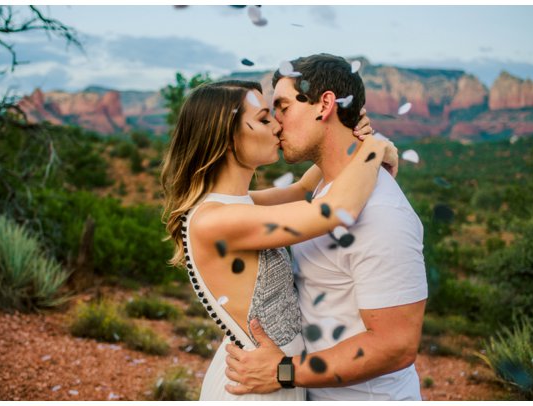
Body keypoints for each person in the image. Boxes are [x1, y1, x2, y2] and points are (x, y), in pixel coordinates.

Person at [159, 75, 396, 400]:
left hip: (272, 374)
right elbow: (334, 210)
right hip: (257, 387)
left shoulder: (238, 205)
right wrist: (374, 148)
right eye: (263, 119)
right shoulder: (216, 220)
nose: (277, 126)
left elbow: (302, 190)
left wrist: (346, 135)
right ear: (227, 138)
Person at [222, 54, 428, 400]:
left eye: (283, 108)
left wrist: (282, 371)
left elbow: (396, 346)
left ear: (325, 105)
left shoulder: (381, 212)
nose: (276, 124)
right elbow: (238, 206)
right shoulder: (324, 191)